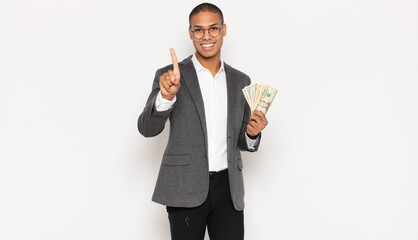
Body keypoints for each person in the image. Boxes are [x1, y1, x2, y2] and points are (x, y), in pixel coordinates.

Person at [138, 3, 268, 240]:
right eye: (199, 30)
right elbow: (146, 129)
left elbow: (241, 139)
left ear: (224, 30)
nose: (206, 36)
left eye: (213, 29)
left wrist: (252, 134)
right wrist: (165, 98)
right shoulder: (169, 75)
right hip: (185, 186)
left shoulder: (240, 80)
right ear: (190, 33)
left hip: (229, 189)